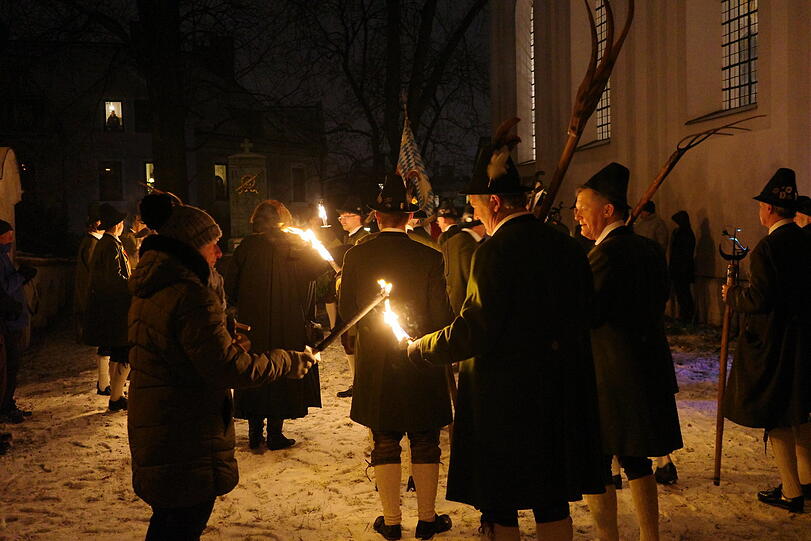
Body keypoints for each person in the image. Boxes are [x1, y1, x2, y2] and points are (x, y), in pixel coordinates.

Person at [407, 124, 606, 541]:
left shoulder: (493, 252)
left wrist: (425, 347)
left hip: (507, 400)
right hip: (560, 391)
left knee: (502, 498)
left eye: (476, 205)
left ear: (494, 202)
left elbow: (477, 328)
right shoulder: (567, 246)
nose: (474, 213)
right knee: (552, 495)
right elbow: (587, 311)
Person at [128, 193, 316, 540]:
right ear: (191, 246)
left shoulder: (156, 285)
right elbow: (230, 369)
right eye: (213, 244)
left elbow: (183, 349)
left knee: (169, 521)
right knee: (182, 524)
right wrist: (287, 361)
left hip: (161, 421)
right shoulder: (192, 294)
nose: (219, 253)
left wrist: (225, 337)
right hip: (185, 428)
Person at [340, 173, 454, 541]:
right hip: (420, 358)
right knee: (425, 439)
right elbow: (442, 316)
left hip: (377, 362)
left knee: (384, 439)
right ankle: (426, 518)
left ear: (375, 217)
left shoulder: (356, 255)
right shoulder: (429, 256)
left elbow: (347, 313)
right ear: (409, 218)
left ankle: (391, 521)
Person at [574, 162, 683, 541]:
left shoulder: (603, 256)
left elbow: (585, 313)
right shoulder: (649, 250)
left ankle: (609, 538)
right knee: (637, 459)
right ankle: (649, 536)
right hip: (645, 366)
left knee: (600, 461)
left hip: (609, 375)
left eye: (583, 209)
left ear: (607, 210)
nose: (577, 217)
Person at [721, 168, 811, 513]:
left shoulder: (767, 249)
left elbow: (761, 299)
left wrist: (733, 297)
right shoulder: (807, 239)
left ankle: (792, 491)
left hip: (776, 343)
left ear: (770, 210)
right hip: (804, 339)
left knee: (777, 414)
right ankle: (806, 479)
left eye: (762, 205)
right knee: (800, 410)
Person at [225, 200, 328, 450]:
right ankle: (274, 433)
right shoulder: (294, 245)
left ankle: (254, 433)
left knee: (255, 368)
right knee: (282, 368)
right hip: (288, 321)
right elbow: (320, 267)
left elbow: (231, 285)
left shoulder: (247, 247)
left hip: (253, 324)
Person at [83, 204, 131, 411]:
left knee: (117, 351)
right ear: (118, 225)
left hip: (111, 306)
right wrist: (133, 284)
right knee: (123, 351)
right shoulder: (111, 245)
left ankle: (115, 394)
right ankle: (115, 397)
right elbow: (114, 278)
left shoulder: (108, 243)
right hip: (116, 307)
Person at [0, 220, 36, 424]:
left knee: (13, 366)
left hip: (14, 320)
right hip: (9, 322)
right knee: (9, 367)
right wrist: (20, 276)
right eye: (7, 235)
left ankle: (8, 403)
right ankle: (5, 406)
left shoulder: (4, 256)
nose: (11, 239)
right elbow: (4, 288)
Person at [334, 196, 370, 398]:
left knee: (356, 341)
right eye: (341, 216)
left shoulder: (363, 239)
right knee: (347, 341)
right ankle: (356, 380)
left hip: (358, 299)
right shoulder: (348, 239)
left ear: (359, 217)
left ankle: (361, 382)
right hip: (346, 295)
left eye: (347, 216)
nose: (342, 220)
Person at [74, 214, 108, 393]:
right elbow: (96, 273)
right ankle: (104, 383)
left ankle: (104, 382)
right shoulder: (93, 244)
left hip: (91, 297)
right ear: (95, 225)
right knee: (104, 342)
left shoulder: (91, 242)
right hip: (94, 298)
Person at [669, 210, 696, 323]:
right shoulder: (682, 232)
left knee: (683, 292)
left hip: (682, 268)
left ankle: (686, 315)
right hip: (680, 267)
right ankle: (685, 314)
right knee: (682, 292)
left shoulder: (685, 233)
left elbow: (683, 252)